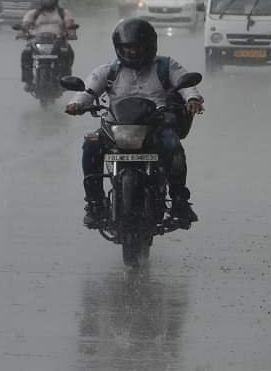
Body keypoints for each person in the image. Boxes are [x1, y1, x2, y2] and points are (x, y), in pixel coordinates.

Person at [65, 18, 205, 228]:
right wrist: (76, 104)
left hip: (156, 125)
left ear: (149, 45)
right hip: (116, 126)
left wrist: (192, 99)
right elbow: (88, 91)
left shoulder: (167, 66)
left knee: (174, 148)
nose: (133, 52)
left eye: (137, 47)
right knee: (91, 144)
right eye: (127, 48)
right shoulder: (108, 71)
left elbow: (185, 84)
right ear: (119, 48)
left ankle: (179, 201)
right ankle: (94, 203)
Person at [17, 0, 77, 90]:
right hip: (37, 41)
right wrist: (22, 33)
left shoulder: (64, 13)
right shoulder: (33, 13)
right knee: (26, 53)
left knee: (68, 53)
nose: (47, 1)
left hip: (58, 41)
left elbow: (69, 25)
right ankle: (28, 81)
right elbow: (25, 26)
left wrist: (71, 33)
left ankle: (66, 80)